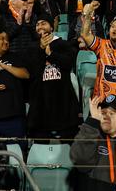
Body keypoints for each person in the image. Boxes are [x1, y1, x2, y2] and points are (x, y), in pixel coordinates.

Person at [27, 13, 81, 142]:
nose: (40, 26)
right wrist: (41, 49)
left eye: (43, 23)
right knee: (41, 145)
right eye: (37, 24)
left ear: (51, 27)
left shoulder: (63, 44)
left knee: (67, 142)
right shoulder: (32, 47)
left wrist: (50, 54)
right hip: (41, 104)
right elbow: (31, 71)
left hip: (63, 101)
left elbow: (68, 63)